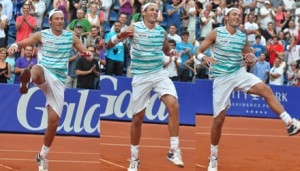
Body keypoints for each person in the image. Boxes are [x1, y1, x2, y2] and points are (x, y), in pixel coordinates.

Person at [196, 8, 300, 171]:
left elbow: (248, 58)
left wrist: (250, 58)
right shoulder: (216, 32)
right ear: (226, 17)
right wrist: (204, 57)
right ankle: (213, 157)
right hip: (221, 79)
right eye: (234, 14)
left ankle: (289, 122)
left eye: (239, 15)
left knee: (265, 89)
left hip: (238, 73)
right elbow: (199, 51)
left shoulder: (241, 37)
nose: (238, 17)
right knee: (219, 121)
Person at [7, 9, 94, 171]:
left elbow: (82, 49)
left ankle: (42, 156)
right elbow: (26, 42)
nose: (60, 21)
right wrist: (14, 45)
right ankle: (28, 79)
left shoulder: (71, 36)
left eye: (62, 19)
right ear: (50, 21)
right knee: (38, 70)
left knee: (53, 123)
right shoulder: (42, 35)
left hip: (60, 81)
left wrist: (87, 54)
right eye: (57, 19)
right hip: (45, 70)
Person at [107, 2, 184, 171]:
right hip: (141, 77)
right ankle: (134, 157)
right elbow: (109, 45)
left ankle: (173, 149)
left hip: (159, 74)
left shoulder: (161, 32)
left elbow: (165, 51)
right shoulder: (133, 28)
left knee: (174, 105)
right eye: (152, 10)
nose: (155, 12)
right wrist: (119, 36)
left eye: (157, 10)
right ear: (143, 12)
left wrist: (172, 53)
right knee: (137, 119)